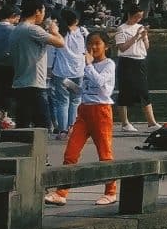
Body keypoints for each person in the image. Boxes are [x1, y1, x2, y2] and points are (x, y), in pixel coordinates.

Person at [46, 33, 120, 206]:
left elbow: (102, 84)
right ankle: (61, 192)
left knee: (105, 153)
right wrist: (69, 85)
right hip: (84, 112)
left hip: (101, 111)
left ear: (106, 46)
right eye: (89, 44)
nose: (92, 48)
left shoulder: (109, 64)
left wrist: (87, 65)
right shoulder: (90, 66)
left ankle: (111, 191)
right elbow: (85, 91)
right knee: (71, 152)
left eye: (97, 44)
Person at [1, 0, 62, 130]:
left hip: (19, 84)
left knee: (23, 126)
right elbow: (60, 43)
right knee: (43, 126)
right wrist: (54, 31)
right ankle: (39, 151)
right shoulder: (33, 30)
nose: (44, 15)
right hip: (34, 85)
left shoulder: (16, 30)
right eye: (43, 11)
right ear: (37, 11)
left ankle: (24, 150)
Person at [112, 7, 156, 134]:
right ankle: (125, 123)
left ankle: (151, 122)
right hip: (127, 61)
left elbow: (146, 47)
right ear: (129, 15)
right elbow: (122, 47)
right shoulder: (122, 29)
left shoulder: (140, 27)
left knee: (144, 90)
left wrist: (144, 37)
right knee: (125, 91)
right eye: (136, 16)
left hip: (140, 60)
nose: (138, 19)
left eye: (140, 16)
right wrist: (136, 36)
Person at [46, 8, 86, 138]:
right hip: (78, 72)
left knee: (63, 101)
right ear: (76, 20)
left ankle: (62, 130)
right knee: (75, 100)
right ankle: (72, 128)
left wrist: (49, 68)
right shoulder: (83, 32)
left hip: (62, 73)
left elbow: (52, 52)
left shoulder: (59, 33)